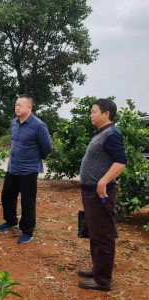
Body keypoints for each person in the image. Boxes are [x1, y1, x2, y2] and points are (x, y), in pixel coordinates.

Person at [77, 99, 127, 291]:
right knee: (94, 232)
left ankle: (102, 280)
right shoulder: (102, 134)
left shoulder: (111, 134)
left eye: (94, 111)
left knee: (104, 235)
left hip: (100, 194)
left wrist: (103, 181)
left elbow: (121, 161)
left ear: (106, 114)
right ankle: (97, 269)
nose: (91, 114)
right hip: (90, 193)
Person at [0, 94, 52, 244]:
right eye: (16, 104)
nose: (17, 107)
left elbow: (47, 148)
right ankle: (11, 221)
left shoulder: (39, 125)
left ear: (30, 107)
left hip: (28, 170)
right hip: (13, 167)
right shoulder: (14, 123)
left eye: (21, 104)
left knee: (28, 202)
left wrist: (32, 159)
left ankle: (27, 231)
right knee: (7, 196)